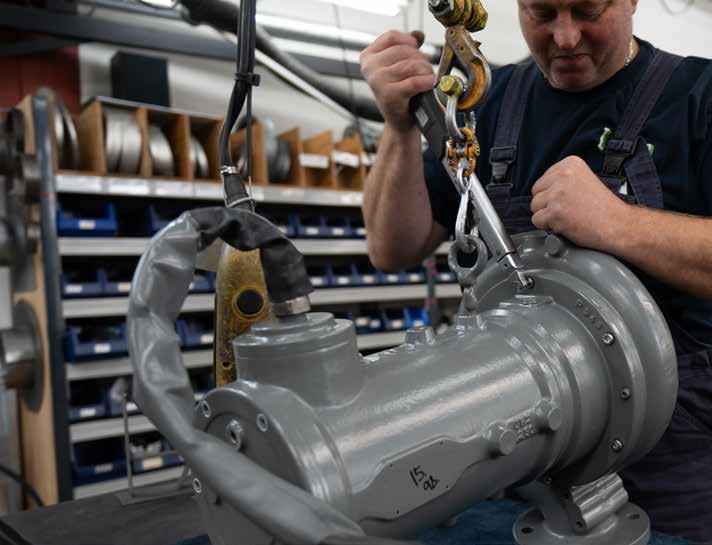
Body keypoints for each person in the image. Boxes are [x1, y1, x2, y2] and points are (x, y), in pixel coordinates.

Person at [359, 0, 712, 542]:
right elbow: (392, 248)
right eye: (542, 14)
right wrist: (399, 127)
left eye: (587, 10)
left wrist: (619, 225)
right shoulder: (484, 102)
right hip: (509, 441)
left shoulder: (697, 97)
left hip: (670, 460)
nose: (565, 37)